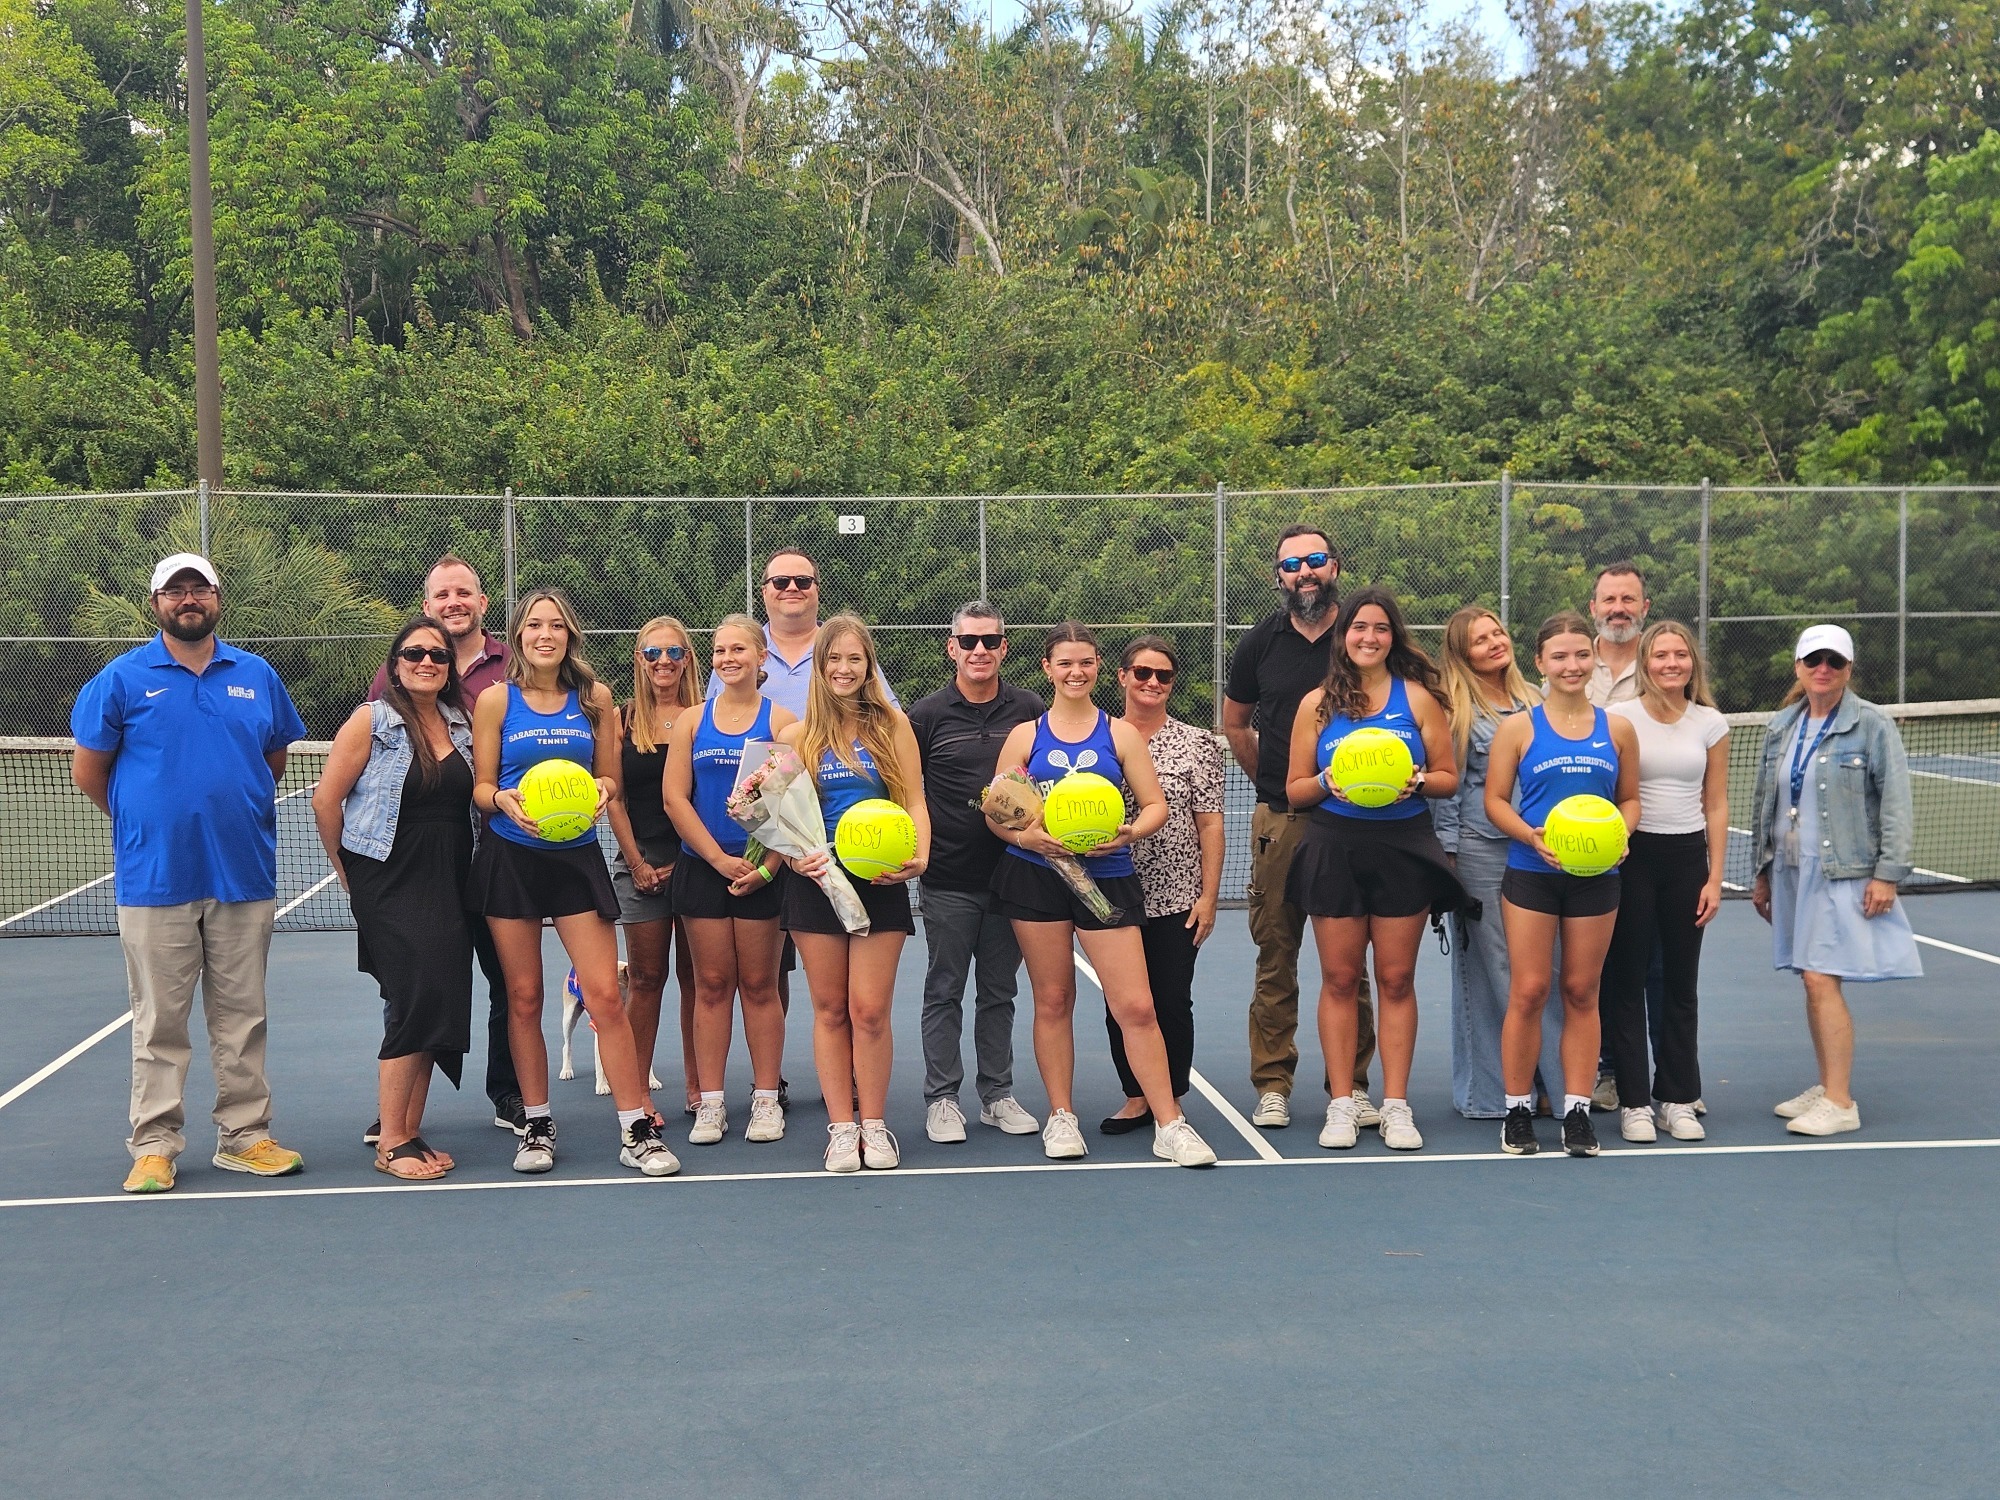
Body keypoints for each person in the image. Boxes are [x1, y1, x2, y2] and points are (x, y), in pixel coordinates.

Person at [71, 552, 308, 1194]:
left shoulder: (257, 675)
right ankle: (154, 1144)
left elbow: (272, 758)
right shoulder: (120, 679)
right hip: (155, 879)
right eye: (175, 591)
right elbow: (89, 770)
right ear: (157, 604)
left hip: (244, 874)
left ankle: (245, 1137)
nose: (188, 599)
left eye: (198, 588)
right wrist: (148, 819)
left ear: (217, 598)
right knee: (158, 1023)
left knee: (242, 1017)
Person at [987, 623, 1217, 1168]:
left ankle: (1170, 1123)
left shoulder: (1121, 735)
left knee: (1136, 1005)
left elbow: (1155, 805)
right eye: (1065, 663)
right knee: (1054, 999)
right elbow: (998, 812)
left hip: (1106, 880)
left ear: (1097, 669)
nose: (1076, 672)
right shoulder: (1025, 736)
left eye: (1085, 662)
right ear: (1047, 668)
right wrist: (1026, 837)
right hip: (1036, 876)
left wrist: (1129, 834)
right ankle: (1061, 1117)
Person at [468, 588, 680, 1177]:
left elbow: (610, 778)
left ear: (569, 636)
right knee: (525, 997)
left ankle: (635, 1128)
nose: (545, 634)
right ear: (517, 636)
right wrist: (503, 801)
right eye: (534, 625)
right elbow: (482, 788)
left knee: (606, 995)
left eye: (555, 626)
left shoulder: (595, 700)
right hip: (511, 859)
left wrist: (602, 793)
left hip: (576, 860)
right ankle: (536, 1124)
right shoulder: (495, 701)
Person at [1284, 588, 1465, 1152]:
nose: (1368, 637)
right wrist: (1326, 784)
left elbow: (1447, 777)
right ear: (1344, 637)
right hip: (1334, 845)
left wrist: (1416, 780)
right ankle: (1341, 1104)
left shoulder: (1418, 700)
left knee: (1395, 979)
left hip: (1402, 844)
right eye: (1359, 627)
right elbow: (1294, 790)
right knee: (1340, 979)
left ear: (1394, 637)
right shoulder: (1316, 704)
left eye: (1380, 628)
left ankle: (1395, 1106)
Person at [1222, 524, 1377, 1132]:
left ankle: (1354, 1085)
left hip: (1357, 825)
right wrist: (1276, 781)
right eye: (1293, 565)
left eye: (1315, 560)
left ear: (1334, 565)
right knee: (1275, 955)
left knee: (1349, 964)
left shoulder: (1363, 636)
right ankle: (1273, 1084)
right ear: (1278, 577)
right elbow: (1236, 725)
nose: (1304, 572)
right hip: (1281, 821)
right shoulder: (1259, 643)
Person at [313, 618, 477, 1179]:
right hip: (388, 879)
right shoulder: (372, 720)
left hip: (451, 880)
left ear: (450, 666)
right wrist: (347, 873)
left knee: (437, 997)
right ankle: (392, 1143)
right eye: (415, 653)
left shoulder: (462, 723)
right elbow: (326, 801)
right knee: (413, 998)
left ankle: (407, 1128)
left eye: (438, 654)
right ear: (396, 663)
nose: (427, 661)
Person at [366, 555, 523, 1137]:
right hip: (420, 871)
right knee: (416, 985)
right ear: (427, 606)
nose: (453, 602)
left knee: (509, 982)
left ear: (483, 603)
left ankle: (509, 1095)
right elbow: (351, 785)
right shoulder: (395, 676)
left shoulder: (516, 663)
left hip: (498, 854)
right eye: (441, 595)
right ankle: (395, 1114)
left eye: (465, 593)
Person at [1750, 625, 1921, 1137]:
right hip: (1790, 871)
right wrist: (1761, 872)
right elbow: (1768, 803)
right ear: (1798, 667)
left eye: (1835, 661)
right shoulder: (1782, 725)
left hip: (1842, 871)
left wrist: (1887, 875)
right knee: (1811, 974)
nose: (1823, 669)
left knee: (1823, 976)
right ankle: (1827, 1086)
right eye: (1813, 660)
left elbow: (1895, 804)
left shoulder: (1871, 725)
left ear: (1848, 668)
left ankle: (1841, 1102)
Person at [777, 615, 931, 1172]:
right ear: (819, 668)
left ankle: (874, 1125)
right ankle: (842, 1129)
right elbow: (773, 817)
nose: (844, 669)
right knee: (829, 1009)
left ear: (869, 668)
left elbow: (914, 800)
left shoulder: (893, 727)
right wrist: (795, 856)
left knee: (869, 1010)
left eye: (854, 660)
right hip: (816, 885)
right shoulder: (796, 737)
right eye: (833, 660)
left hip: (879, 881)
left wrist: (921, 856)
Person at [1485, 612, 1641, 1158]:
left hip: (1598, 879)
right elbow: (1495, 801)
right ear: (1540, 663)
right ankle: (1517, 1110)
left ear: (1593, 659)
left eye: (1581, 655)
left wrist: (1624, 833)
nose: (1571, 666)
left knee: (1581, 990)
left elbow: (1629, 799)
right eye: (1560, 656)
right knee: (1529, 991)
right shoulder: (1518, 728)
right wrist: (1531, 836)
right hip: (1531, 875)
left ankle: (1577, 1112)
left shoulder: (1617, 729)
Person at [908, 603, 1044, 1144]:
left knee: (999, 991)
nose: (979, 651)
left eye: (989, 641)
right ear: (952, 648)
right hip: (947, 880)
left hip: (1013, 877)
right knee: (944, 989)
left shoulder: (1031, 708)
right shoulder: (927, 716)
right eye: (969, 642)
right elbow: (907, 792)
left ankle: (996, 1095)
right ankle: (942, 1099)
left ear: (1004, 648)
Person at [664, 613, 794, 1146]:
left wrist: (767, 868)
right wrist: (718, 860)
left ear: (762, 658)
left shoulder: (783, 723)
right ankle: (712, 1104)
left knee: (761, 986)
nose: (727, 658)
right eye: (719, 651)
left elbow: (792, 808)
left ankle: (766, 1101)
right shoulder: (693, 721)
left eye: (739, 649)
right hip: (704, 870)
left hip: (764, 872)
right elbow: (675, 797)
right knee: (712, 987)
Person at [1602, 622, 1730, 1143]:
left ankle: (1675, 1097)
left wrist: (1715, 877)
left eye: (1681, 655)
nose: (1671, 663)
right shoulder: (1619, 719)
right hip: (1633, 857)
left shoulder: (1711, 724)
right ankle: (1634, 1101)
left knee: (1680, 984)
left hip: (1686, 860)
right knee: (1626, 981)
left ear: (1692, 663)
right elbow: (1609, 791)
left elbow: (1716, 802)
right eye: (1661, 655)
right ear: (1645, 663)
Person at [1435, 605, 1564, 1120]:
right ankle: (1491, 1096)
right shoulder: (1455, 710)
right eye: (1479, 639)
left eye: (1498, 633)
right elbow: (1446, 794)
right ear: (1463, 654)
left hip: (1540, 854)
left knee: (1541, 974)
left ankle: (1558, 1087)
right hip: (1479, 853)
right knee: (1494, 974)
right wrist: (1446, 862)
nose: (1494, 643)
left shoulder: (1538, 701)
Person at [1101, 635, 1223, 1134]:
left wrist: (1209, 897)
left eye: (1163, 676)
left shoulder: (1196, 744)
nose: (1152, 683)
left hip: (1177, 895)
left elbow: (1211, 824)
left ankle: (1168, 1099)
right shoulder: (1098, 737)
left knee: (1171, 998)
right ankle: (1136, 1097)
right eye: (1143, 673)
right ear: (1123, 677)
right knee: (1123, 1004)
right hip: (1109, 893)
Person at [605, 617, 702, 1117]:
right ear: (639, 661)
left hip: (698, 867)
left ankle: (698, 1087)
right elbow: (615, 798)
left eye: (673, 652)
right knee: (645, 979)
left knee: (696, 980)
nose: (663, 661)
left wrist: (696, 858)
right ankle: (637, 1094)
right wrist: (639, 864)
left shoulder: (707, 717)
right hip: (640, 868)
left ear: (687, 659)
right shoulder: (621, 720)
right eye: (651, 653)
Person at [1584, 560, 1651, 1109]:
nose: (1619, 609)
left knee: (1642, 962)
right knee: (1590, 966)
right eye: (1610, 600)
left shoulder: (1666, 662)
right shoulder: (1573, 664)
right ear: (1594, 608)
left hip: (1645, 836)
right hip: (1577, 845)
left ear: (1644, 608)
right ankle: (1601, 1070)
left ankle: (1656, 1078)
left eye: (1628, 600)